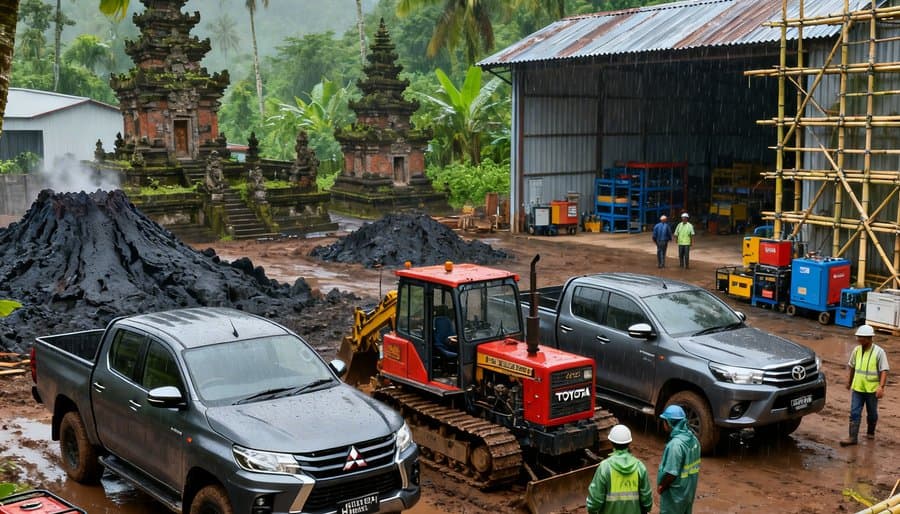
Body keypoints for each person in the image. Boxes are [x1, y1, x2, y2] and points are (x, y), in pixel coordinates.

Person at [840, 324, 890, 446]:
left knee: (872, 413)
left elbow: (884, 370)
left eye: (861, 338)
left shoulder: (879, 352)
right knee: (854, 412)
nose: (858, 340)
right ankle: (852, 438)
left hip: (872, 390)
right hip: (857, 388)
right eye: (858, 337)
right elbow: (852, 366)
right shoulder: (856, 350)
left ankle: (870, 433)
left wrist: (881, 387)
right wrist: (849, 382)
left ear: (869, 338)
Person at [586, 424, 653, 514]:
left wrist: (592, 510)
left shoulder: (604, 467)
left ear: (611, 442)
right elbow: (647, 499)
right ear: (629, 443)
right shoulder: (639, 467)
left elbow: (594, 501)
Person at [657, 405, 700, 514]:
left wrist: (661, 486)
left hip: (674, 495)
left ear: (669, 423)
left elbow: (671, 473)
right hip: (688, 492)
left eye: (664, 421)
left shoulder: (675, 445)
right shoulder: (694, 440)